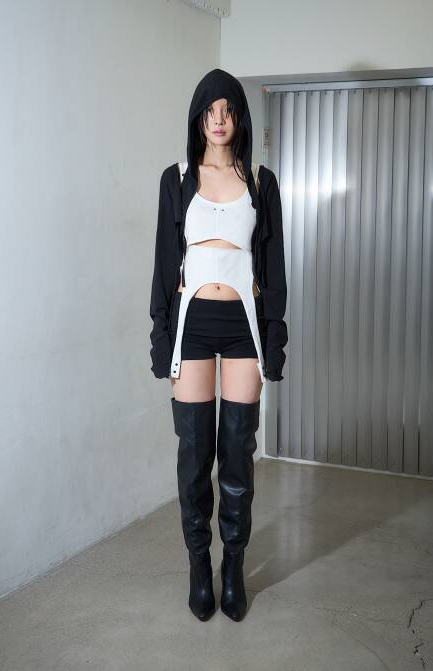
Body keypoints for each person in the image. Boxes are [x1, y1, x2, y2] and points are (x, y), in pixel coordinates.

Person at [149, 68, 288, 622]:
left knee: (236, 454)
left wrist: (274, 338)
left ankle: (233, 567)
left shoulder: (261, 181)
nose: (220, 119)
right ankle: (197, 565)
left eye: (228, 109)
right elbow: (165, 263)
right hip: (192, 326)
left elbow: (273, 267)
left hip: (242, 328)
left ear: (239, 117)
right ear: (199, 118)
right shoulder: (178, 179)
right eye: (211, 110)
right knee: (193, 455)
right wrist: (160, 334)